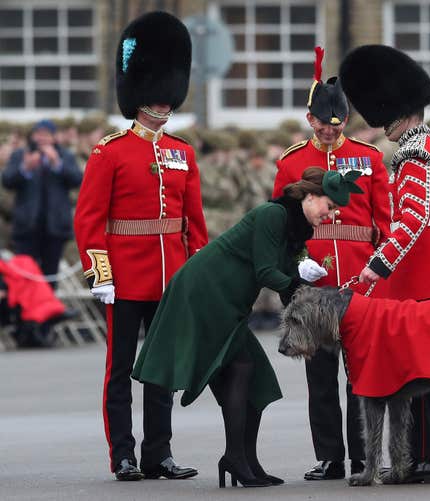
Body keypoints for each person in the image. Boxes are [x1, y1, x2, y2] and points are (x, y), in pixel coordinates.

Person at [132, 168, 363, 488]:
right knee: (242, 368)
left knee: (255, 377)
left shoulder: (295, 227)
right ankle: (236, 459)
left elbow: (282, 280)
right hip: (205, 291)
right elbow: (267, 271)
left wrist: (305, 298)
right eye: (329, 206)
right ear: (310, 197)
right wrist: (304, 290)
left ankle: (244, 460)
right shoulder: (274, 214)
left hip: (228, 301)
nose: (331, 214)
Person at [73, 11, 208, 482]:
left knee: (162, 370)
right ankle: (123, 455)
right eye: (156, 96)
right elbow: (89, 219)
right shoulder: (109, 151)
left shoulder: (182, 153)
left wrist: (196, 272)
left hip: (169, 275)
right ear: (139, 96)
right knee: (120, 373)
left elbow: (194, 223)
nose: (164, 105)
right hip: (125, 277)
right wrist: (100, 273)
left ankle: (159, 453)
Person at [340, 44, 430, 484]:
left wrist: (377, 267)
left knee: (425, 371)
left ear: (398, 112)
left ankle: (428, 459)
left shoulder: (413, 155)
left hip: (422, 275)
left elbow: (411, 221)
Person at [272, 46, 391, 481]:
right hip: (314, 281)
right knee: (319, 376)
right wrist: (297, 263)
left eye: (335, 124)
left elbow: (386, 221)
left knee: (362, 374)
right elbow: (281, 222)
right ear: (310, 120)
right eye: (322, 123)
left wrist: (379, 271)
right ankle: (330, 456)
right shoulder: (291, 162)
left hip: (360, 280)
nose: (328, 131)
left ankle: (363, 455)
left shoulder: (370, 158)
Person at [2, 119, 83, 289]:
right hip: (26, 227)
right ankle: (25, 313)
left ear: (54, 137)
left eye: (46, 134)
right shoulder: (21, 154)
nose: (41, 138)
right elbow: (7, 181)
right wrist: (26, 167)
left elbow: (77, 180)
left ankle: (48, 312)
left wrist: (57, 164)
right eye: (38, 134)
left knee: (50, 276)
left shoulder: (65, 155)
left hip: (55, 228)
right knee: (26, 274)